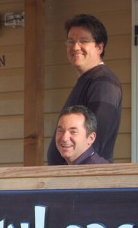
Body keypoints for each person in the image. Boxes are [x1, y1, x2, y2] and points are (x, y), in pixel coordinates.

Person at [47, 14, 122, 165]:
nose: (75, 47)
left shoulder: (103, 82)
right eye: (71, 41)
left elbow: (97, 139)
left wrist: (79, 176)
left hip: (87, 176)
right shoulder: (89, 79)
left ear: (99, 47)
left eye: (83, 41)